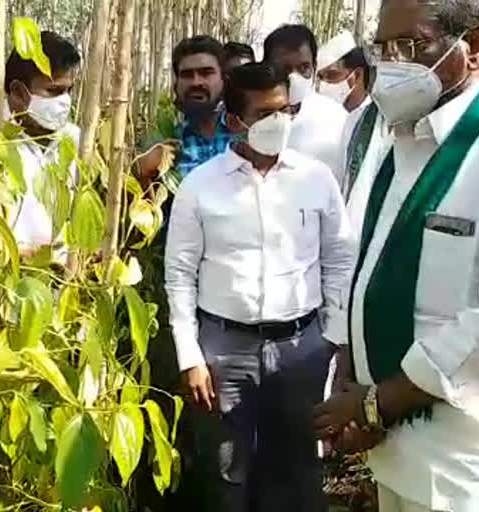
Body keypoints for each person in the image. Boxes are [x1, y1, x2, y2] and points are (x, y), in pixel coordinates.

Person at [313, 1, 479, 511]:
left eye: (412, 46)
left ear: (474, 47)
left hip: (465, 470)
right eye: (384, 49)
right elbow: (372, 267)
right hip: (396, 455)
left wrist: (380, 403)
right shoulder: (400, 138)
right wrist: (354, 380)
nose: (394, 64)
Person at [165, 61, 354, 512]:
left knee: (297, 465)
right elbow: (179, 275)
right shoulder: (200, 187)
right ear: (235, 121)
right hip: (223, 349)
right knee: (226, 467)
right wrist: (190, 356)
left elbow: (339, 256)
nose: (280, 122)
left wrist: (332, 333)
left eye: (286, 110)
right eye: (266, 115)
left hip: (301, 345)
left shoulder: (315, 179)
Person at [2, 30, 81, 260]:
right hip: (4, 285)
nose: (64, 101)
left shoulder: (76, 140)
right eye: (53, 91)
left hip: (66, 285)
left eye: (68, 91)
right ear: (17, 91)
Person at [137, 36, 231, 186]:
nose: (196, 82)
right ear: (176, 85)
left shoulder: (245, 135)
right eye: (187, 75)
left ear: (224, 80)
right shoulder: (163, 142)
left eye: (206, 73)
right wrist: (143, 176)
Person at [264, 24, 348, 179]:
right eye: (284, 69)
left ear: (315, 67)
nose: (293, 77)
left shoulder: (337, 118)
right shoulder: (251, 117)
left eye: (303, 67)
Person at [317, 30, 376, 197]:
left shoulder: (373, 121)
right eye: (320, 78)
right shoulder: (324, 119)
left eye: (331, 75)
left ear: (356, 75)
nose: (325, 84)